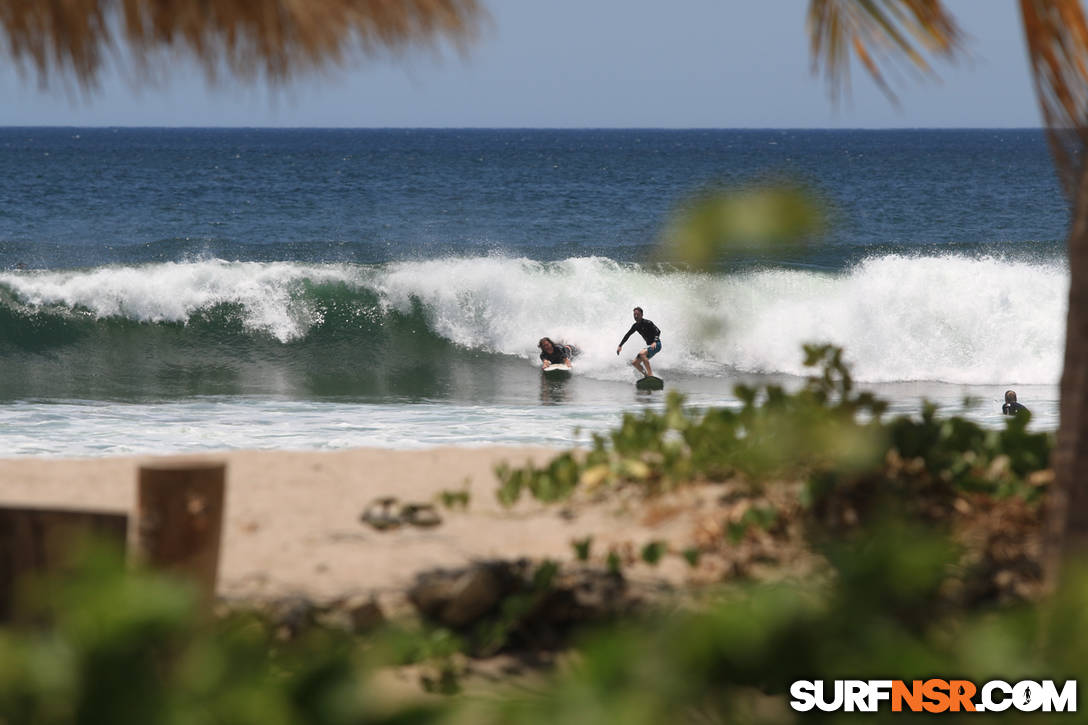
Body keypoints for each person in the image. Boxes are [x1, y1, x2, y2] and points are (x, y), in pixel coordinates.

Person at [616, 306, 661, 378]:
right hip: (649, 346)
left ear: (642, 315)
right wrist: (620, 345)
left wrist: (655, 342)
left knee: (642, 354)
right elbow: (627, 335)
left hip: (656, 344)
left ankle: (650, 375)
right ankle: (646, 376)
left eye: (638, 314)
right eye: (634, 315)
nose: (636, 316)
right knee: (635, 363)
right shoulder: (635, 326)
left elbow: (658, 331)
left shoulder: (648, 322)